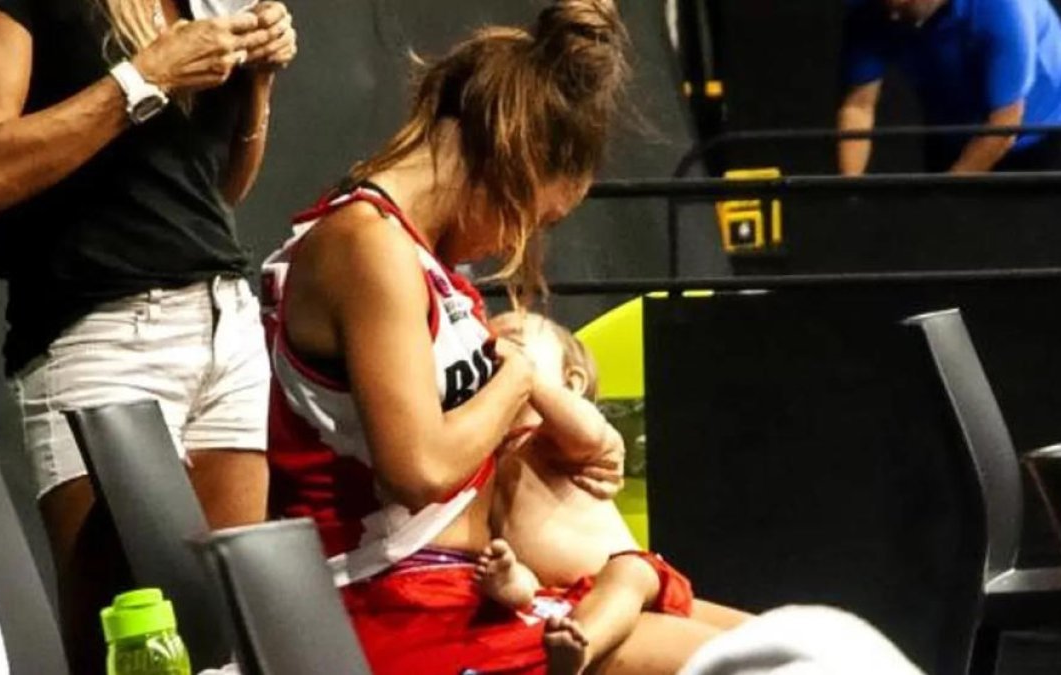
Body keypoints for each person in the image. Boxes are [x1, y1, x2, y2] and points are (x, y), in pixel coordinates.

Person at [265, 1, 738, 672]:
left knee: (803, 644)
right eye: (534, 219)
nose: (515, 242)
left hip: (465, 593)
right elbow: (421, 467)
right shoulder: (366, 245)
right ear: (514, 159)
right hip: (392, 607)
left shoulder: (427, 263)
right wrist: (517, 376)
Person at [0, 0, 297, 672]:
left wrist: (258, 80)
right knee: (129, 651)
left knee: (227, 654)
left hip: (222, 321)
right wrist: (145, 76)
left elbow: (217, 190)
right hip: (104, 335)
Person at [477, 311, 750, 673]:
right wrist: (509, 580)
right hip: (558, 596)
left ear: (572, 382)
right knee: (514, 578)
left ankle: (584, 644)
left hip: (629, 575)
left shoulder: (553, 440)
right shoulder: (488, 459)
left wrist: (525, 376)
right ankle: (576, 647)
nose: (497, 349)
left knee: (769, 641)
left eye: (515, 340)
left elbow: (587, 434)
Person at [838, 0, 1061, 174]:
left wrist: (943, 199)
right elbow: (858, 107)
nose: (893, 18)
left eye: (905, 7)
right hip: (958, 132)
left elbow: (1005, 123)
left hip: (1057, 125)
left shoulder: (1003, 7)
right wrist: (850, 191)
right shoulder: (870, 11)